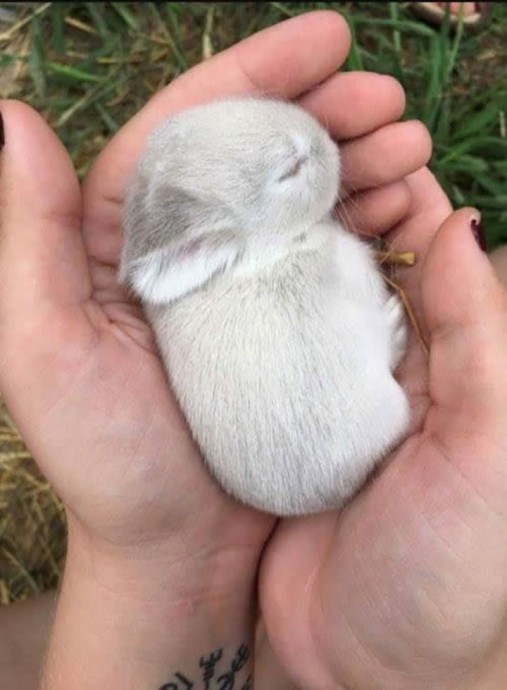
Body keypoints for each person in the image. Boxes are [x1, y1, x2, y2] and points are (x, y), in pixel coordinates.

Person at [1, 9, 507, 690]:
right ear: (206, 243)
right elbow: (349, 312)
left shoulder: (194, 290)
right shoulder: (285, 267)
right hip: (351, 440)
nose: (321, 144)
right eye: (296, 161)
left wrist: (156, 565)